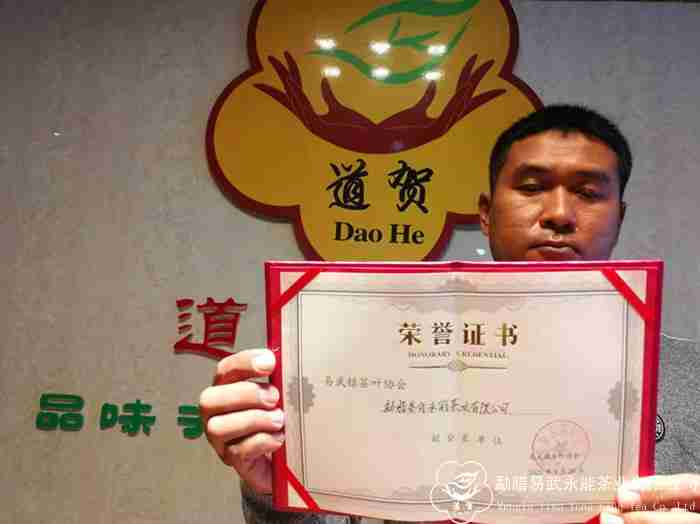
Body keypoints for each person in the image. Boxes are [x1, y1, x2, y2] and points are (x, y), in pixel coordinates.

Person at [199, 105, 700, 524]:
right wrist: (273, 488)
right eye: (531, 187)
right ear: (485, 212)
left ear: (619, 216)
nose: (559, 214)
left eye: (588, 193)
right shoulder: (371, 362)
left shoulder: (691, 377)